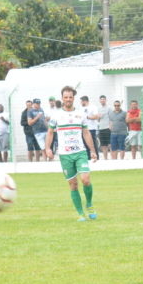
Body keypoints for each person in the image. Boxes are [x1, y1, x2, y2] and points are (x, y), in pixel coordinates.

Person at [45, 86, 99, 221]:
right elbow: (50, 133)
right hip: (65, 155)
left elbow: (86, 133)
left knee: (85, 180)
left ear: (73, 98)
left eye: (70, 97)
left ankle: (89, 204)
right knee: (73, 184)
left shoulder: (81, 114)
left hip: (80, 152)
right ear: (62, 98)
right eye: (65, 97)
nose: (68, 99)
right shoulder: (56, 115)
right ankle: (81, 214)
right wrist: (48, 148)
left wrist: (92, 150)